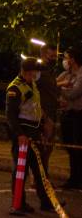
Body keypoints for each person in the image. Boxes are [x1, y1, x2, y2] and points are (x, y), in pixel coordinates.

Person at [7, 56, 54, 214]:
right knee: (21, 171)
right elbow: (11, 116)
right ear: (26, 71)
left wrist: (44, 124)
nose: (36, 75)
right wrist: (19, 135)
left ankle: (46, 202)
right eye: (34, 72)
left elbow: (35, 108)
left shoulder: (31, 84)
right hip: (23, 134)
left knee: (40, 169)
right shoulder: (15, 88)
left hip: (34, 132)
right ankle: (18, 203)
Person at [59, 47, 82, 190]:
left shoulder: (81, 74)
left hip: (78, 114)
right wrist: (63, 85)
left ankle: (78, 178)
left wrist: (61, 89)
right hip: (66, 113)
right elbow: (52, 84)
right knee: (69, 146)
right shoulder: (66, 74)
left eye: (67, 57)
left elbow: (74, 93)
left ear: (73, 59)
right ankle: (73, 178)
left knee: (77, 146)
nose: (65, 60)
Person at [37, 43, 60, 173]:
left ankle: (43, 177)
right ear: (44, 55)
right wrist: (43, 116)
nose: (54, 59)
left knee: (48, 148)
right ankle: (40, 178)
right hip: (42, 114)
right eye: (51, 56)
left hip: (52, 112)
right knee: (42, 148)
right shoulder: (38, 72)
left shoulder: (50, 72)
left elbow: (51, 91)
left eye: (55, 56)